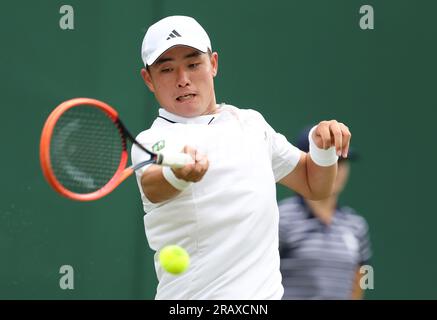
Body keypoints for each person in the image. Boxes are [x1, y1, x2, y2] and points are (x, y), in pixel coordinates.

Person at [131, 15, 352, 299]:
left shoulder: (250, 124)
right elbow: (153, 185)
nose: (183, 80)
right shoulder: (151, 141)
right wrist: (178, 174)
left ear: (213, 64)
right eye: (167, 70)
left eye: (193, 64)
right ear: (148, 79)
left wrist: (322, 147)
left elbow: (315, 185)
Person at [278, 126, 372, 300]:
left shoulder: (356, 225)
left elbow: (365, 274)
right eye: (329, 160)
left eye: (341, 162)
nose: (336, 170)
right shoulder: (281, 218)